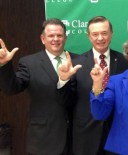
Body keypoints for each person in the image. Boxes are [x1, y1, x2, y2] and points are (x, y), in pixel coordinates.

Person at [0, 18, 77, 155]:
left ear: (65, 38)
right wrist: (4, 65)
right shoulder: (29, 63)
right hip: (44, 139)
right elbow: (11, 88)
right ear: (42, 39)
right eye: (51, 36)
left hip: (77, 137)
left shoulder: (79, 60)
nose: (55, 39)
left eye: (59, 35)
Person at [58, 16, 128, 155]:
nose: (100, 38)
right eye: (95, 34)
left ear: (111, 34)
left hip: (118, 134)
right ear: (89, 36)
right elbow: (66, 100)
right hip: (86, 136)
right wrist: (63, 80)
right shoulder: (76, 63)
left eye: (104, 33)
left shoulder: (124, 61)